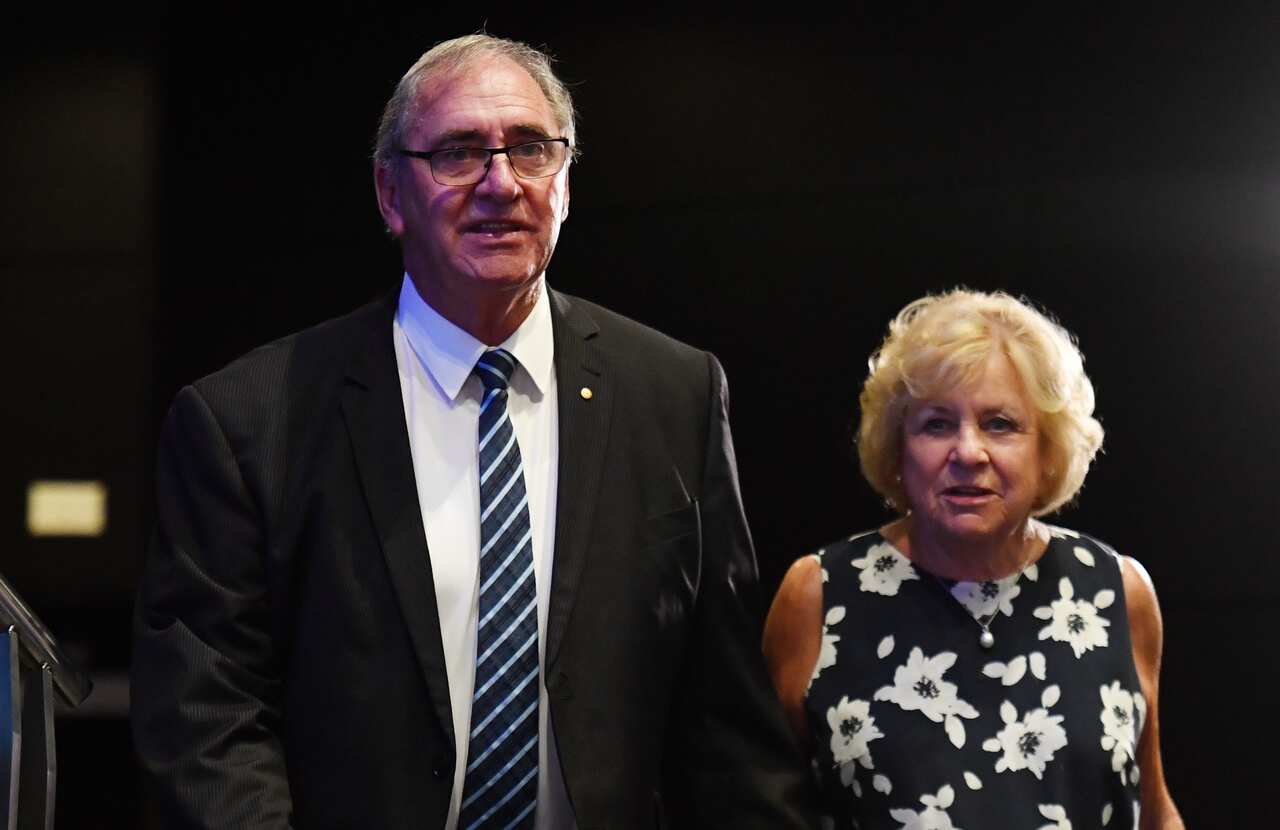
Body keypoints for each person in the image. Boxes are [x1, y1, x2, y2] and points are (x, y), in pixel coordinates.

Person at [131, 34, 817, 830]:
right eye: (458, 154)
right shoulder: (249, 419)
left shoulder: (675, 394)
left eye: (530, 149)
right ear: (391, 194)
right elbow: (207, 723)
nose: (500, 184)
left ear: (565, 181)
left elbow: (726, 727)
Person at [763, 289, 1183, 829]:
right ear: (898, 446)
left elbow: (1154, 812)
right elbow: (755, 805)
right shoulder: (818, 594)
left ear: (1047, 448)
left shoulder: (1117, 591)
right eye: (937, 424)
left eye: (999, 424)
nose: (967, 452)